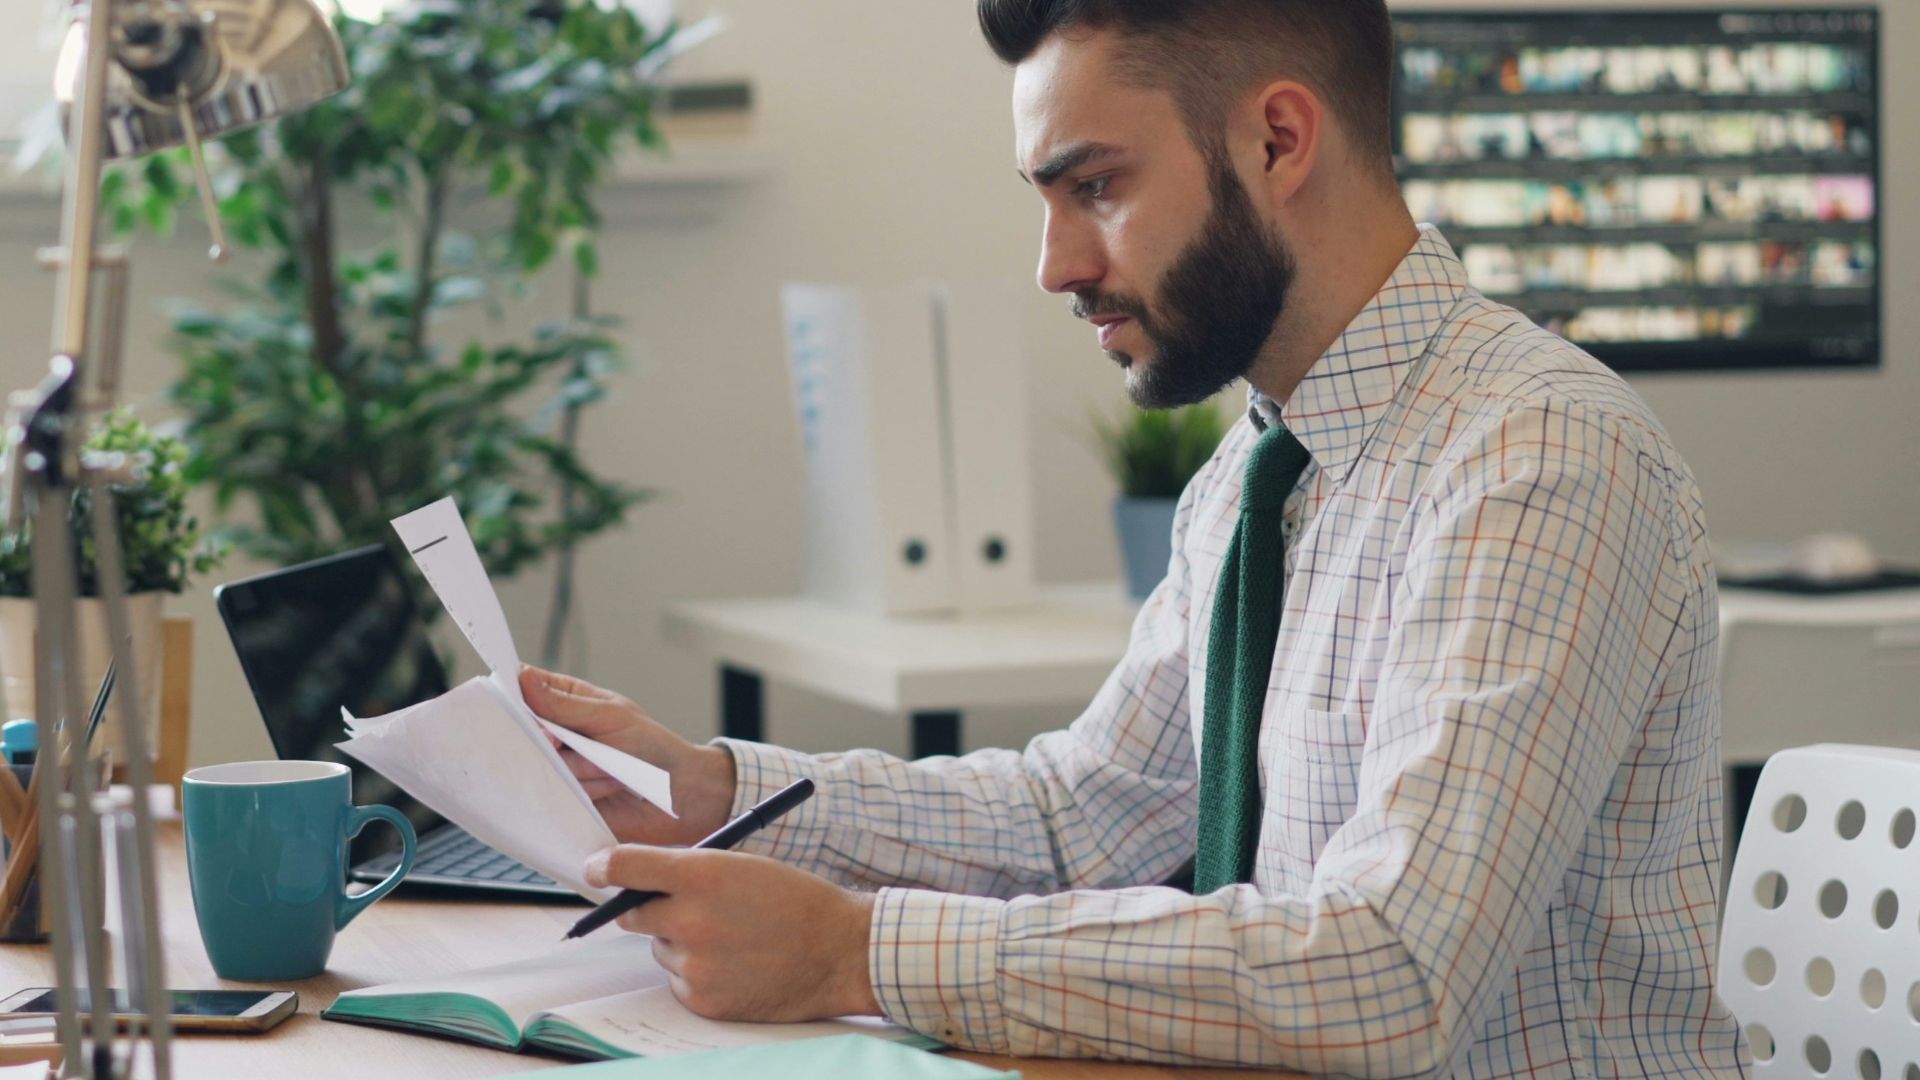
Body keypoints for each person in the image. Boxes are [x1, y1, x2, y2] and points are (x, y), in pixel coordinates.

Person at [524, 1, 1748, 1074]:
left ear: (1277, 140)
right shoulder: (1258, 474)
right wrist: (708, 790)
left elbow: (1394, 968)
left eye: (1095, 186)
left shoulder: (1540, 455)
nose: (1057, 265)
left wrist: (857, 953)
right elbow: (1079, 817)